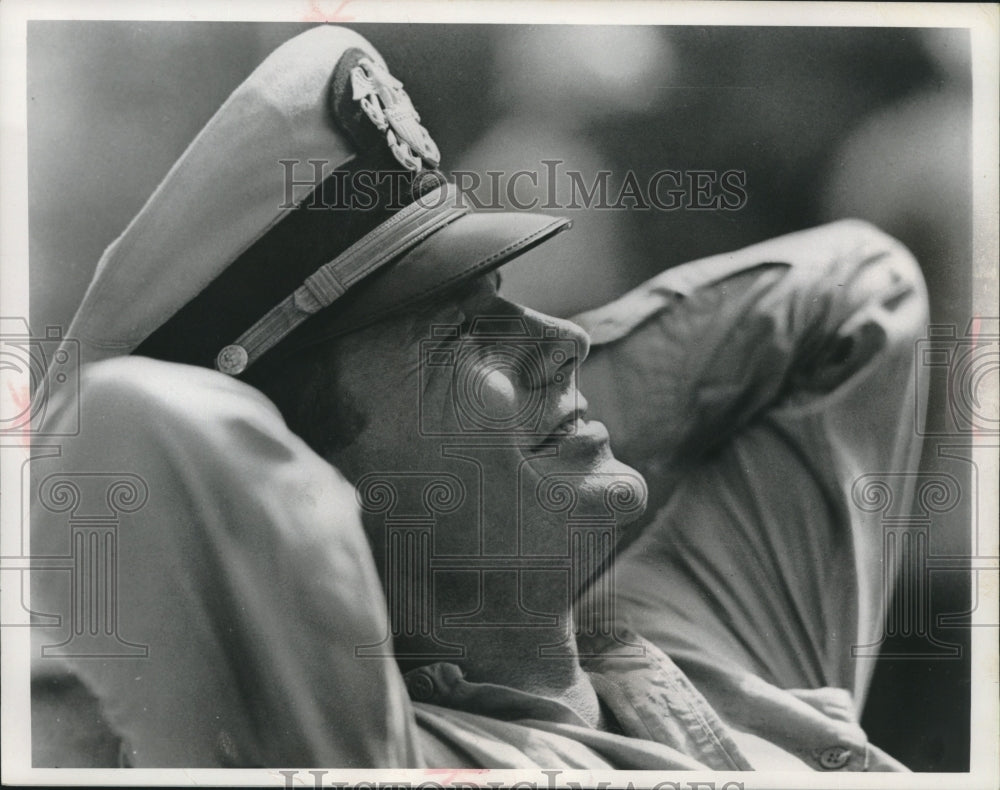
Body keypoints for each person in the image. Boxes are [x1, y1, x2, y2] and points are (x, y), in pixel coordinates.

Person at [30, 25, 926, 771]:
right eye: (462, 334)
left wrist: (539, 444)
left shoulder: (689, 643)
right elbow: (141, 430)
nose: (567, 340)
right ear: (314, 486)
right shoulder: (353, 745)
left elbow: (854, 288)